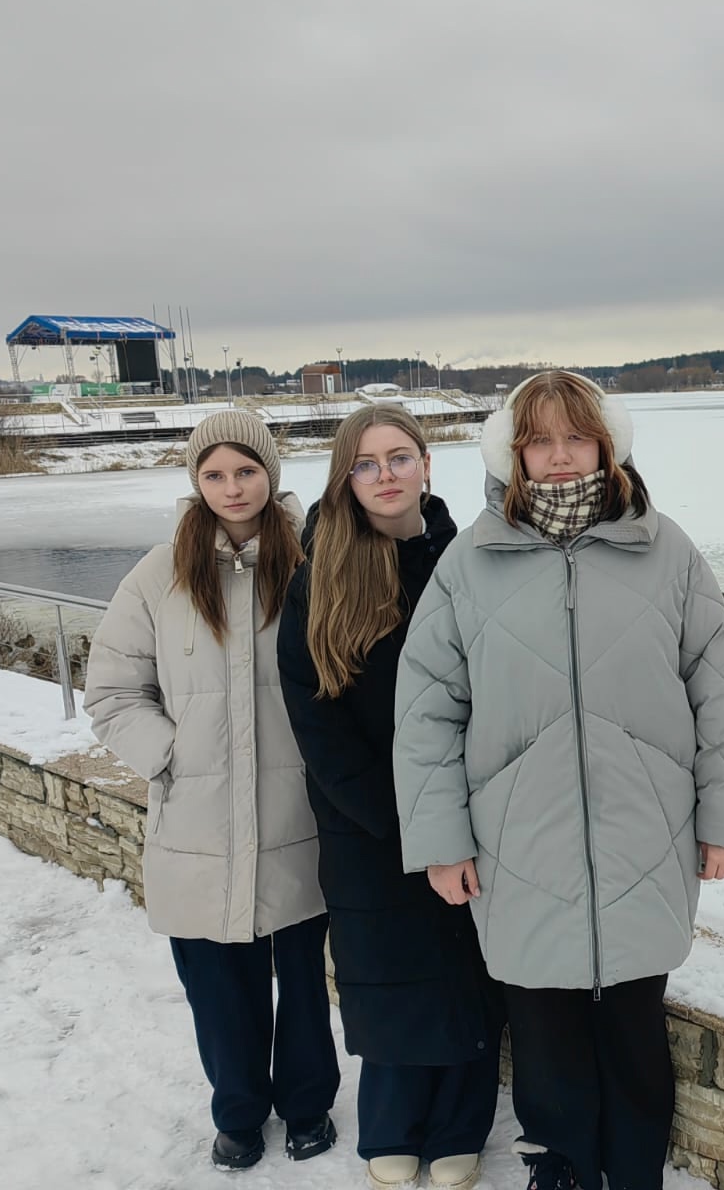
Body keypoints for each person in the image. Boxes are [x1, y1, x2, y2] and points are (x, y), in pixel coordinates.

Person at [392, 371, 724, 1190]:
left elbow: (722, 693)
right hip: (518, 842)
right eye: (539, 441)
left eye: (576, 437)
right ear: (513, 454)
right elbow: (426, 714)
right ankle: (558, 1163)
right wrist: (442, 841)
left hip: (646, 833)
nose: (560, 456)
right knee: (542, 1024)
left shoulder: (666, 551)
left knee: (634, 1024)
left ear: (606, 446)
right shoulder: (469, 563)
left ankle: (633, 1170)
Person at [83, 410, 339, 1172]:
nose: (233, 488)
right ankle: (238, 1112)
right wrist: (170, 757)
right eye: (215, 474)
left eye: (247, 471)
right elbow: (112, 692)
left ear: (270, 474)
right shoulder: (157, 575)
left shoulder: (312, 562)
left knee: (303, 978)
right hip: (196, 824)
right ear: (197, 481)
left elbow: (347, 675)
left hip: (297, 814)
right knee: (220, 988)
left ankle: (308, 1104)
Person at [277, 405, 505, 1190]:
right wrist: (402, 817)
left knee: (468, 973)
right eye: (366, 464)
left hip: (470, 811)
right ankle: (391, 1125)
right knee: (389, 978)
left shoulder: (465, 559)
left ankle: (460, 1126)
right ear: (346, 478)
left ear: (426, 465)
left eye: (399, 457)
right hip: (370, 822)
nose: (385, 475)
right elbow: (315, 716)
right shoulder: (320, 576)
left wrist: (465, 810)